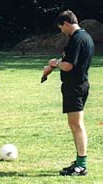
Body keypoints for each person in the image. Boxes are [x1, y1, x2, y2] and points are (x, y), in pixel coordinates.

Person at [43, 10, 94, 176]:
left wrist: (54, 63)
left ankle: (81, 165)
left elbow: (68, 65)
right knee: (75, 124)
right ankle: (79, 161)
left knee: (76, 125)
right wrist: (52, 67)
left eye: (61, 28)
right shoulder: (84, 37)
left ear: (66, 23)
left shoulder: (77, 39)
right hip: (78, 85)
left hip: (75, 87)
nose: (62, 31)